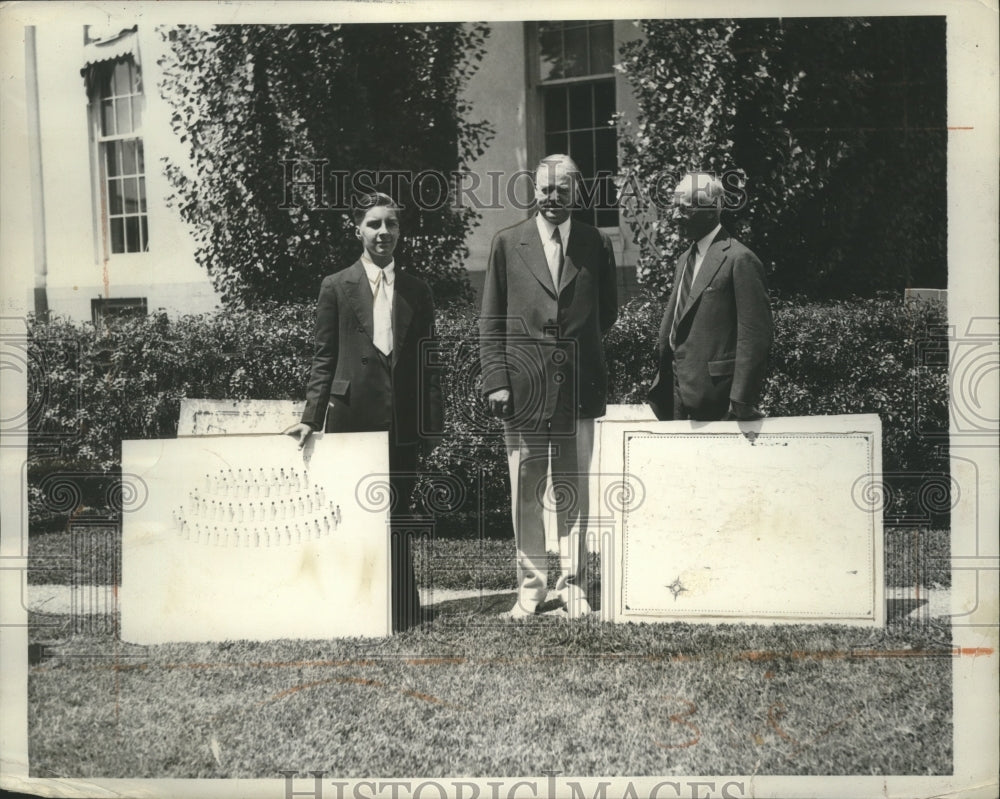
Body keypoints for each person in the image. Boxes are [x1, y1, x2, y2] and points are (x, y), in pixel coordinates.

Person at [286, 192, 443, 633]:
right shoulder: (336, 286)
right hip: (353, 417)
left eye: (391, 224)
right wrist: (310, 417)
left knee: (399, 513)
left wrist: (432, 423)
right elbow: (323, 357)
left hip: (405, 422)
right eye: (374, 224)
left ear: (400, 232)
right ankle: (354, 605)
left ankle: (402, 609)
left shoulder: (417, 290)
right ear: (358, 229)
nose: (383, 233)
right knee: (354, 514)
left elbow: (430, 362)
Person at [479, 154, 619, 619]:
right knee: (527, 490)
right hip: (524, 389)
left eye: (562, 189)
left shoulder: (595, 243)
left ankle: (574, 586)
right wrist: (497, 380)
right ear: (533, 191)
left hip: (578, 385)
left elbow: (607, 313)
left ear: (576, 192)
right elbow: (491, 320)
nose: (552, 197)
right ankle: (531, 590)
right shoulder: (507, 243)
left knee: (575, 487)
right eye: (545, 189)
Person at [647, 173, 773, 422]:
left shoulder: (739, 259)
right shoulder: (685, 259)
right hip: (674, 394)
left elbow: (755, 334)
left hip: (717, 399)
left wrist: (741, 400)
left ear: (710, 209)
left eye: (683, 209)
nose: (674, 216)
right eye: (674, 208)